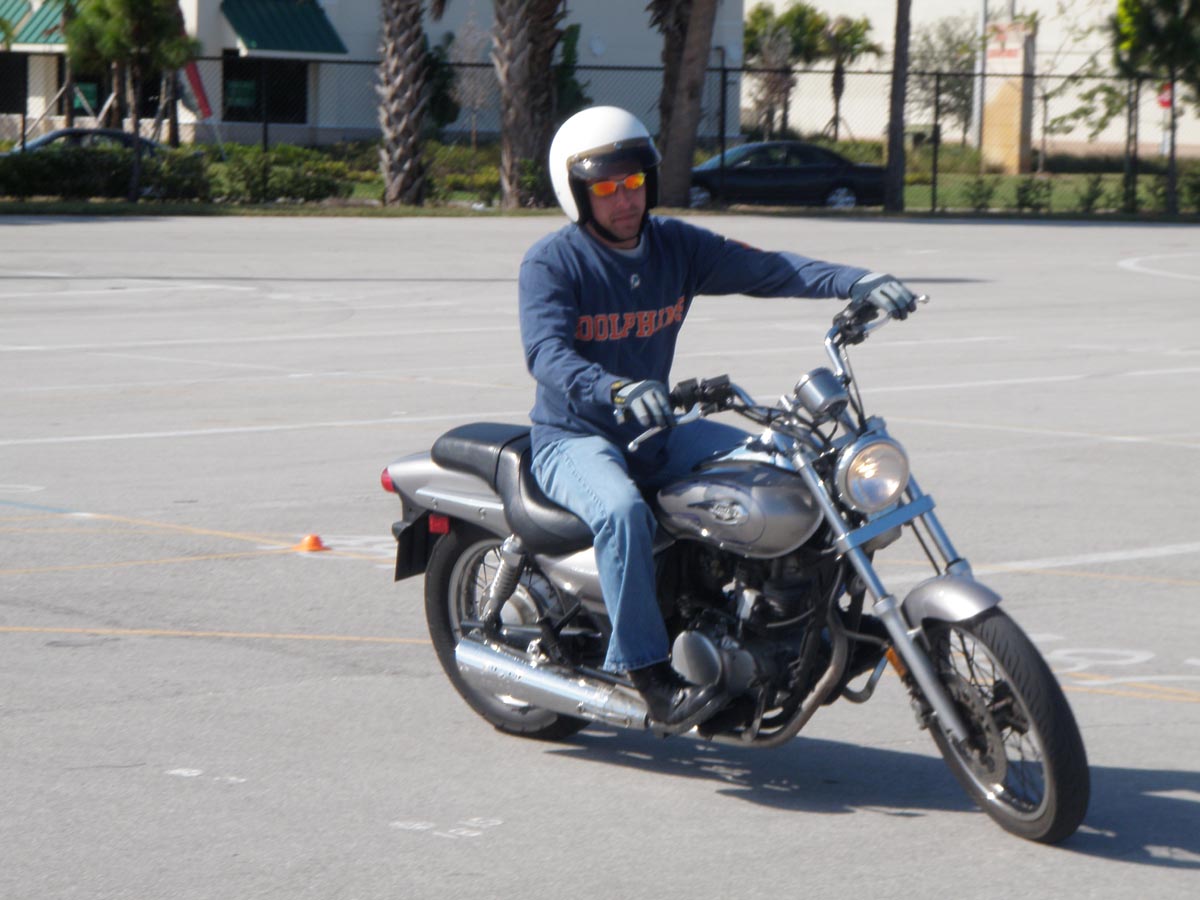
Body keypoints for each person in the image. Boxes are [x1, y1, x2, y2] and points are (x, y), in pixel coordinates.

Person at [517, 106, 917, 729]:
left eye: (633, 182)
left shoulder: (675, 246)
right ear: (576, 193)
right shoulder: (552, 263)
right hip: (574, 438)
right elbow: (546, 354)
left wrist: (856, 281)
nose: (625, 199)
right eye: (607, 187)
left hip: (656, 433)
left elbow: (771, 268)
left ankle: (799, 624)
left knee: (786, 466)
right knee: (621, 512)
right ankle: (646, 672)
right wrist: (614, 389)